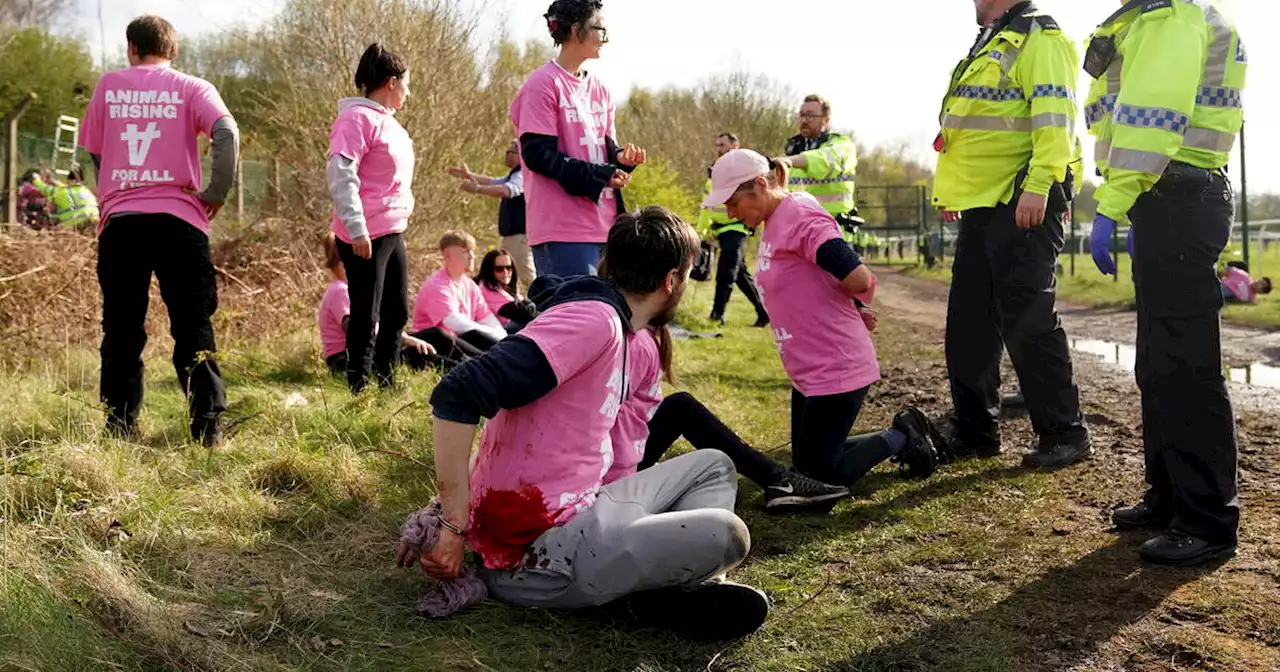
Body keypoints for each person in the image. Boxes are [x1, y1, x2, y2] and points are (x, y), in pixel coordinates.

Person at [415, 206, 769, 641]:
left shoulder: (628, 333)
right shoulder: (593, 321)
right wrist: (452, 523)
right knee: (727, 534)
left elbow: (620, 446)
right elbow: (458, 391)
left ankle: (676, 586)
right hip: (533, 555)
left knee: (713, 464)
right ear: (672, 280)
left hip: (583, 508)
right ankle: (664, 588)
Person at [1086, 0, 1247, 566]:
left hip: (1174, 191)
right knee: (1158, 364)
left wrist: (1112, 201)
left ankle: (1205, 521)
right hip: (1169, 196)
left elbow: (1153, 119)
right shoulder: (1155, 16)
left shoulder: (1170, 17)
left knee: (1185, 367)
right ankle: (1171, 496)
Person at [704, 149, 939, 489]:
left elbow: (857, 276)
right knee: (805, 465)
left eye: (733, 202)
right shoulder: (775, 220)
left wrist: (856, 297)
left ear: (758, 185)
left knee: (819, 477)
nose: (730, 212)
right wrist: (853, 304)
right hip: (810, 372)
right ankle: (900, 433)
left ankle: (901, 437)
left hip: (836, 366)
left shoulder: (799, 214)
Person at [930, 0, 1091, 469]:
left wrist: (1039, 184)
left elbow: (1054, 118)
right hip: (986, 200)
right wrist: (957, 191)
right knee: (970, 323)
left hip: (1023, 195)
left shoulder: (1041, 38)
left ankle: (1065, 432)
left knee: (1028, 319)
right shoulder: (995, 40)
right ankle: (976, 430)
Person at [80, 15, 240, 445]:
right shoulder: (193, 88)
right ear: (173, 52)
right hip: (181, 221)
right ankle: (208, 428)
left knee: (121, 327)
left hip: (123, 225)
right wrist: (217, 191)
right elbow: (227, 132)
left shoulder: (109, 86)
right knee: (192, 325)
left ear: (132, 49)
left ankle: (120, 426)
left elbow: (90, 155)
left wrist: (110, 198)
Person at [595, 321, 850, 511]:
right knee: (686, 418)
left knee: (678, 407)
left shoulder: (636, 337)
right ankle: (777, 479)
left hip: (604, 471)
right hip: (598, 483)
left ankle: (777, 479)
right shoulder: (631, 342)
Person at [509, 0, 647, 277]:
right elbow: (538, 156)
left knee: (610, 317)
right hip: (562, 230)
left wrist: (620, 159)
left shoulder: (601, 90)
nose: (606, 39)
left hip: (607, 227)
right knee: (573, 317)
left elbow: (604, 150)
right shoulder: (542, 85)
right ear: (575, 30)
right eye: (600, 29)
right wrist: (599, 175)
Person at [326, 43, 415, 394]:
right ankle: (358, 389)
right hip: (365, 234)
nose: (408, 92)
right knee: (367, 313)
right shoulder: (355, 118)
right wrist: (356, 228)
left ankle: (387, 381)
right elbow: (340, 173)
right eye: (406, 84)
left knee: (397, 312)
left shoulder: (390, 124)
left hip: (393, 230)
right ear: (391, 82)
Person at [317, 233, 437, 376]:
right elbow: (356, 326)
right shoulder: (340, 290)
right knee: (419, 353)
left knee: (435, 335)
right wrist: (405, 339)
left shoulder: (353, 288)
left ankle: (466, 363)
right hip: (344, 359)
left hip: (364, 348)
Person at [696, 132, 769, 328]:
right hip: (720, 231)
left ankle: (716, 316)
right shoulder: (714, 174)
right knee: (740, 274)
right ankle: (763, 312)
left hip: (736, 229)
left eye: (723, 144)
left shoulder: (744, 174)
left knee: (726, 272)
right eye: (717, 145)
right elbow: (706, 207)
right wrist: (701, 231)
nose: (719, 148)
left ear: (735, 145)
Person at [448, 141, 536, 294]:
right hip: (513, 238)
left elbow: (507, 190)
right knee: (509, 277)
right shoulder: (514, 174)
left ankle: (544, 309)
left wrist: (478, 189)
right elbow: (493, 181)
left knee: (528, 278)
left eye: (511, 152)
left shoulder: (522, 175)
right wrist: (469, 176)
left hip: (519, 237)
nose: (507, 154)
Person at [774, 95, 860, 246]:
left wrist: (787, 161)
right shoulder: (793, 151)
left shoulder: (842, 145)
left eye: (811, 115)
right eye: (802, 115)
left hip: (833, 234)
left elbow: (824, 161)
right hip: (799, 235)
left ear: (826, 119)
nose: (805, 120)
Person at [410, 231, 507, 358]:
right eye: (465, 251)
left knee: (481, 338)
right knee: (468, 337)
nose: (472, 256)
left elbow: (487, 318)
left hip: (459, 341)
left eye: (472, 251)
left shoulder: (470, 285)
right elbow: (454, 322)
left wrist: (501, 337)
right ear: (447, 255)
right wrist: (492, 334)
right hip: (432, 345)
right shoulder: (437, 285)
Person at [474, 250, 538, 331]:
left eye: (508, 268)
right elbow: (524, 315)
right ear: (489, 270)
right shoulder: (486, 289)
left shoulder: (501, 286)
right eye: (499, 269)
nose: (505, 272)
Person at [30, 166, 100, 232]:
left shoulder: (62, 193)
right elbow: (66, 187)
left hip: (75, 225)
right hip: (95, 222)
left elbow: (45, 189)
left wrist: (36, 179)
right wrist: (52, 180)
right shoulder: (85, 190)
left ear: (69, 180)